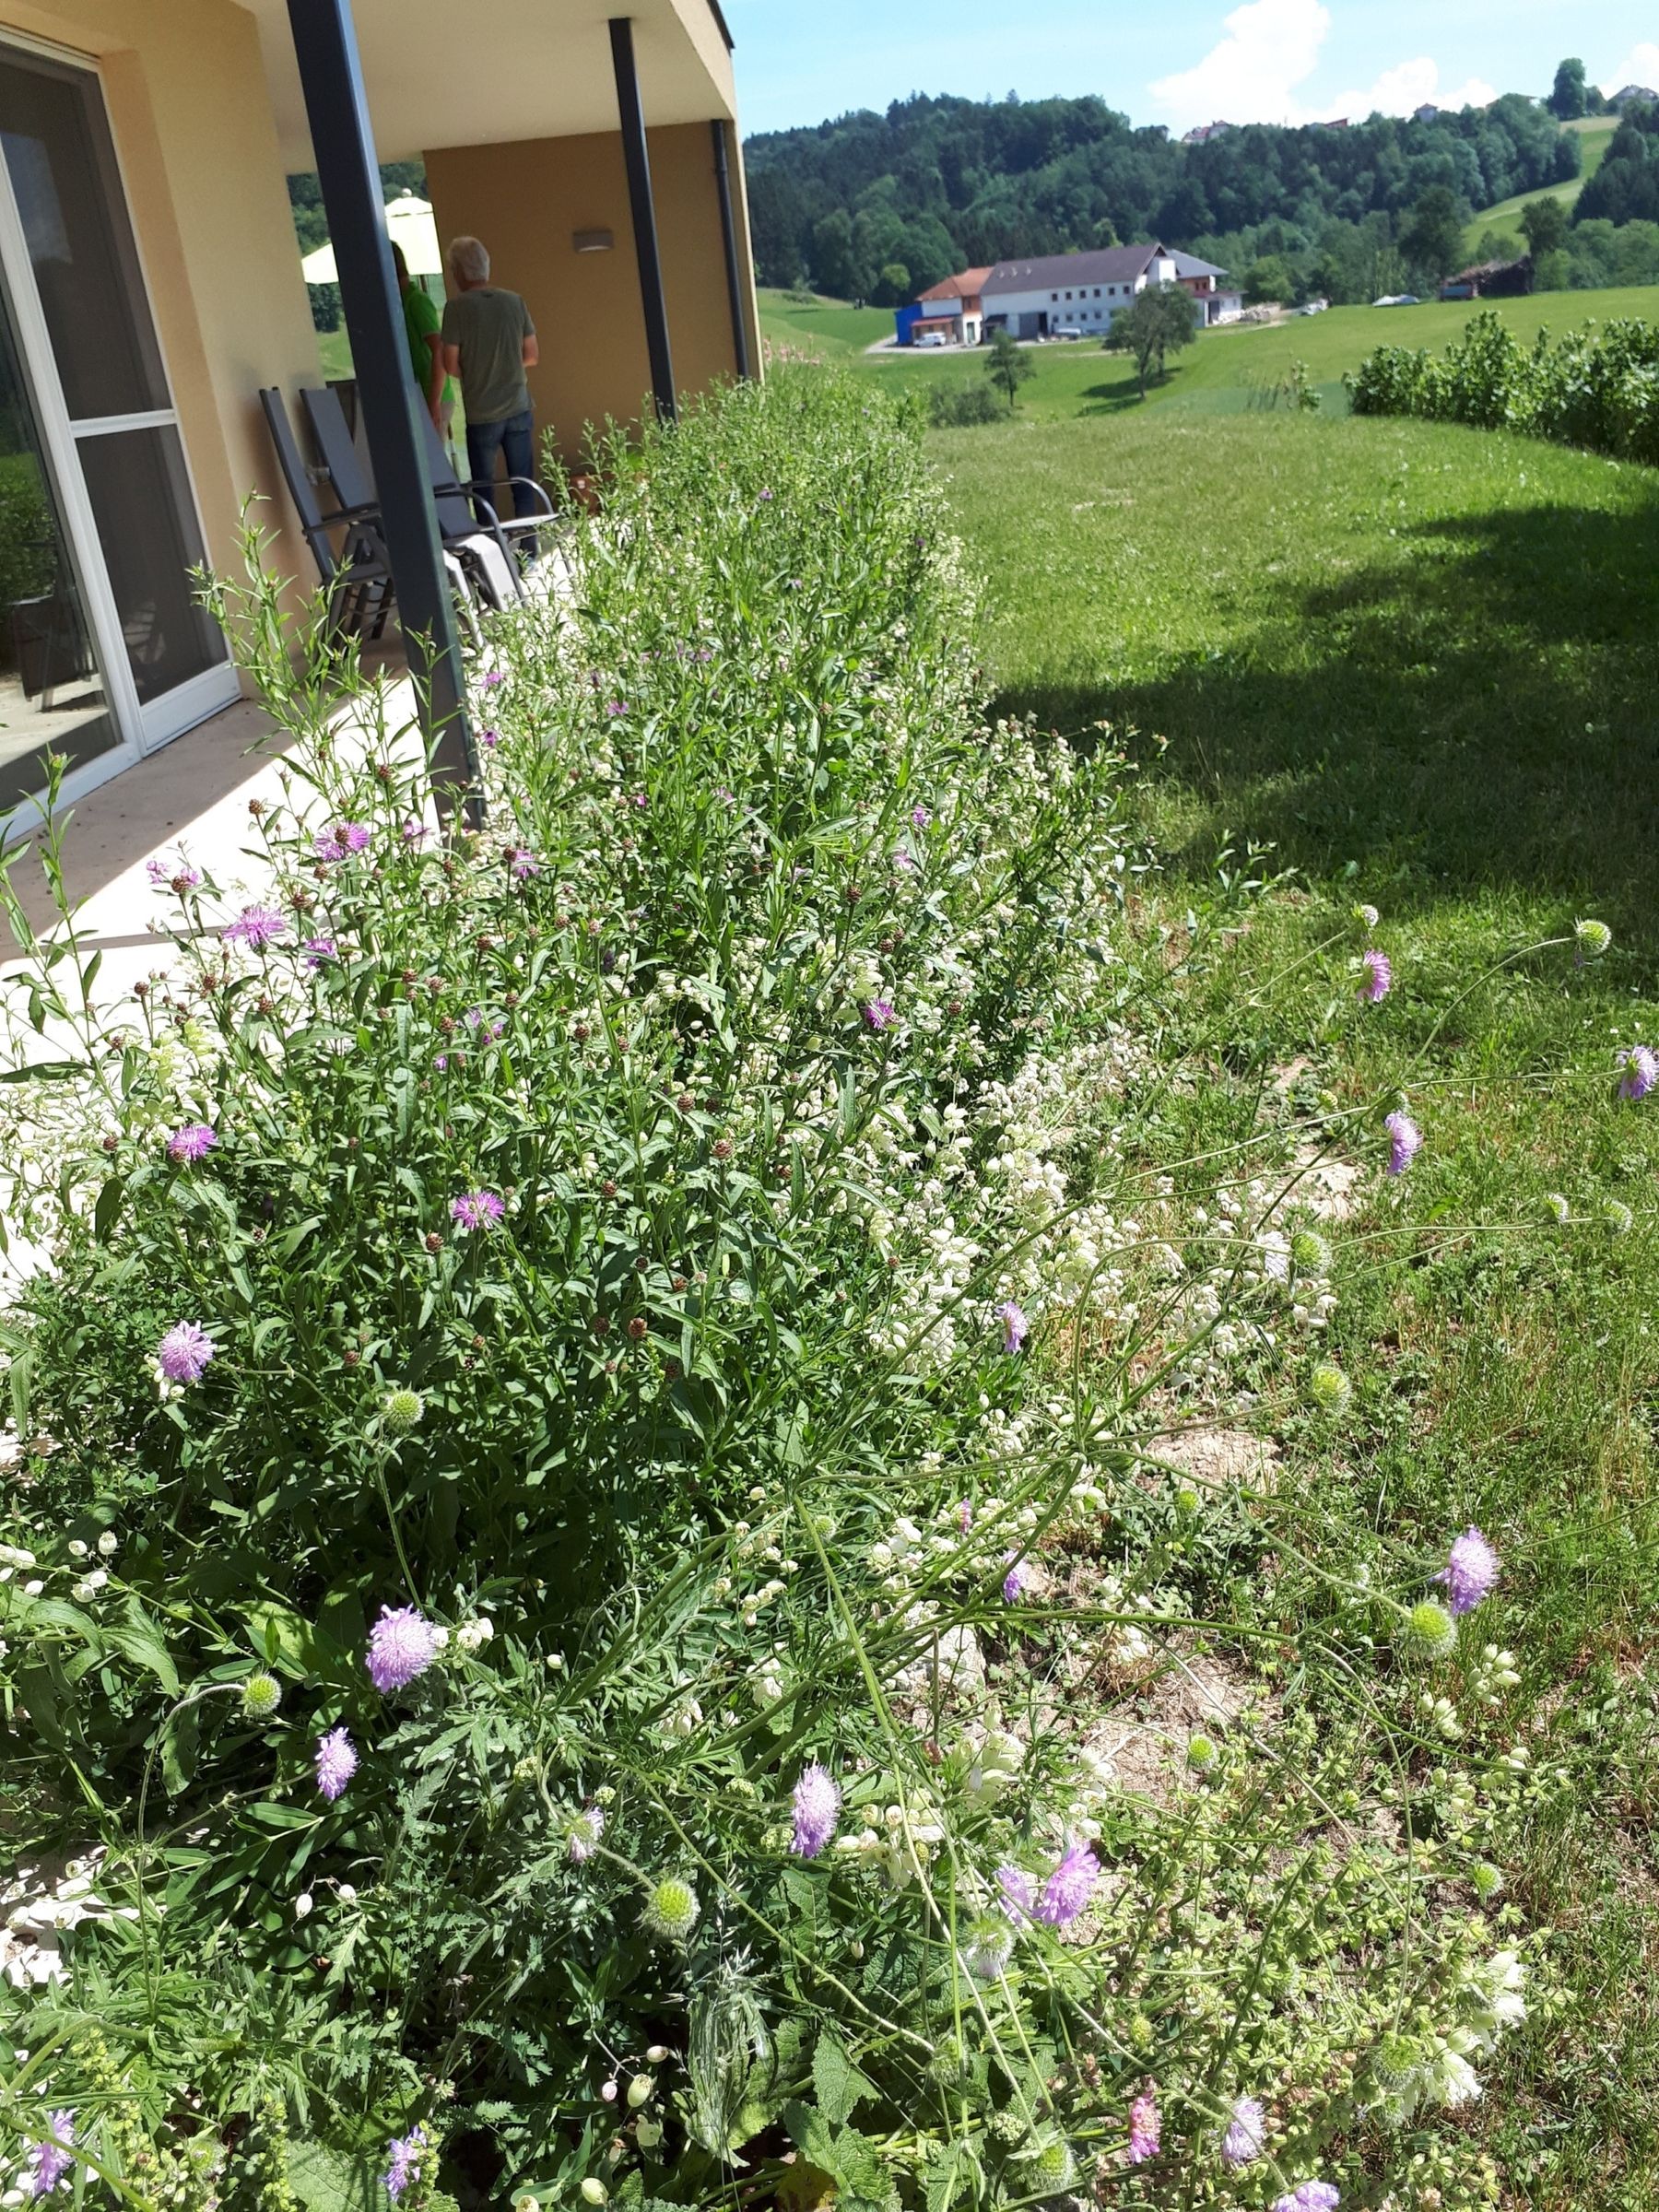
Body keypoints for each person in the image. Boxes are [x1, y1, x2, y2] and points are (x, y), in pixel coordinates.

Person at [440, 235, 540, 558]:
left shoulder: (456, 309)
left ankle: (494, 555)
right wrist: (507, 365)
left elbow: (450, 364)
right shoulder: (514, 301)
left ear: (458, 271)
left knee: (484, 487)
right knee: (523, 481)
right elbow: (532, 355)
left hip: (483, 413)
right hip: (518, 406)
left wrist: (478, 369)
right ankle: (530, 550)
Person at [392, 241, 453, 447]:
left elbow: (438, 348)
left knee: (433, 464)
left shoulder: (416, 301)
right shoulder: (400, 302)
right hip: (417, 395)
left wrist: (434, 402)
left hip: (432, 395)